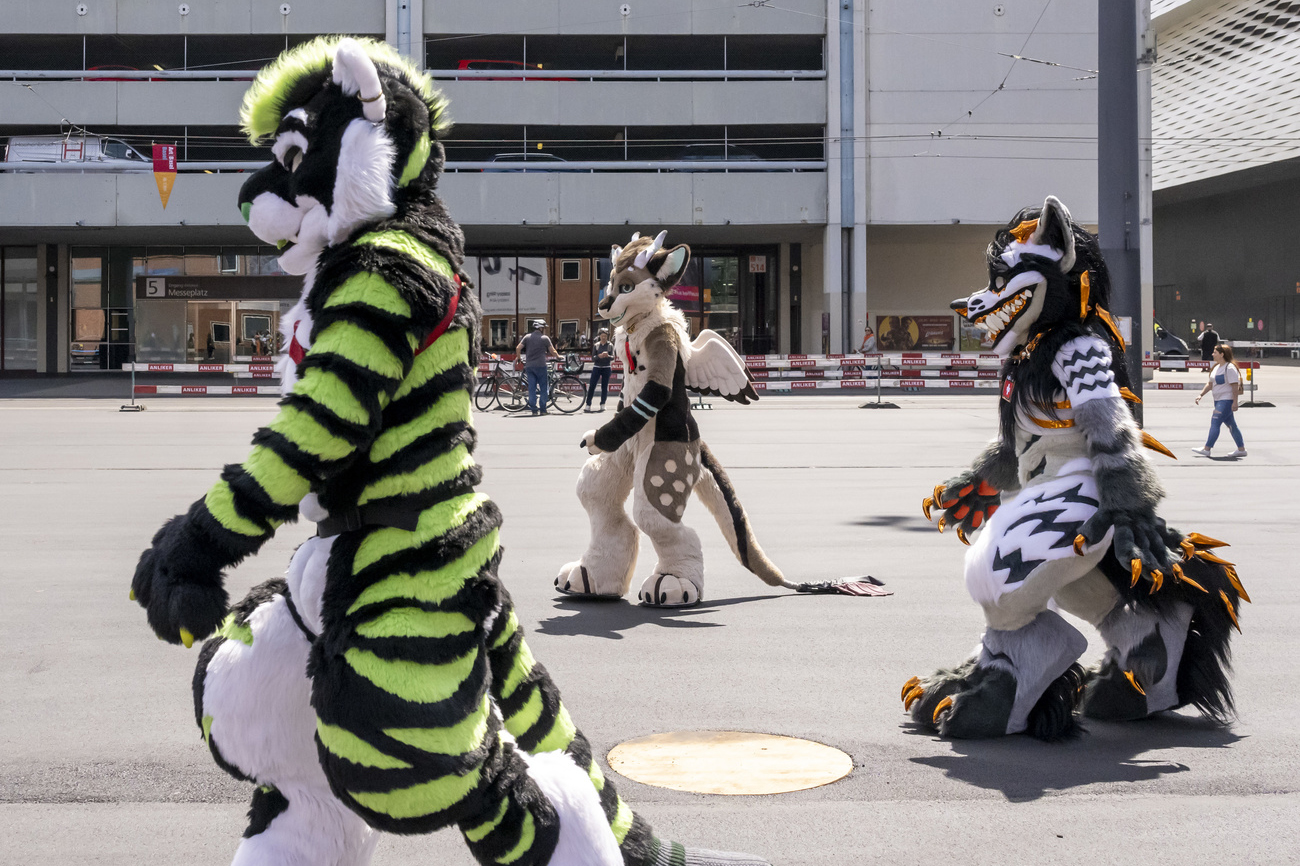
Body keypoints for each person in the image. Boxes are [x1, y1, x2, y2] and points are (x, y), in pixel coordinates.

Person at [1193, 342, 1247, 458]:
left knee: (1215, 422)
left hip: (1226, 400)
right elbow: (1210, 384)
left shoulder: (1230, 368)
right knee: (1232, 425)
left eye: (1215, 353)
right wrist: (1201, 395)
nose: (1213, 354)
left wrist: (1234, 402)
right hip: (1218, 400)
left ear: (1222, 354)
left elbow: (1234, 386)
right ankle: (1241, 449)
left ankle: (1207, 448)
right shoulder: (1216, 367)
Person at [516, 319, 559, 414]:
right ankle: (543, 410)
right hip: (541, 366)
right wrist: (559, 356)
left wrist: (518, 358)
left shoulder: (527, 337)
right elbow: (553, 351)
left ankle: (534, 410)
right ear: (540, 327)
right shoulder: (545, 338)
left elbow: (518, 348)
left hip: (529, 366)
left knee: (531, 388)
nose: (544, 329)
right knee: (543, 388)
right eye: (543, 327)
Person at [585, 327, 614, 412]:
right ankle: (588, 404)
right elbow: (593, 358)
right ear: (599, 336)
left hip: (606, 367)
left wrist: (607, 356)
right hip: (597, 367)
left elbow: (613, 357)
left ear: (607, 336)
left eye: (605, 336)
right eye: (602, 336)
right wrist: (598, 356)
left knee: (604, 387)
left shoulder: (610, 345)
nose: (603, 338)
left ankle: (602, 404)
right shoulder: (596, 345)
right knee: (592, 386)